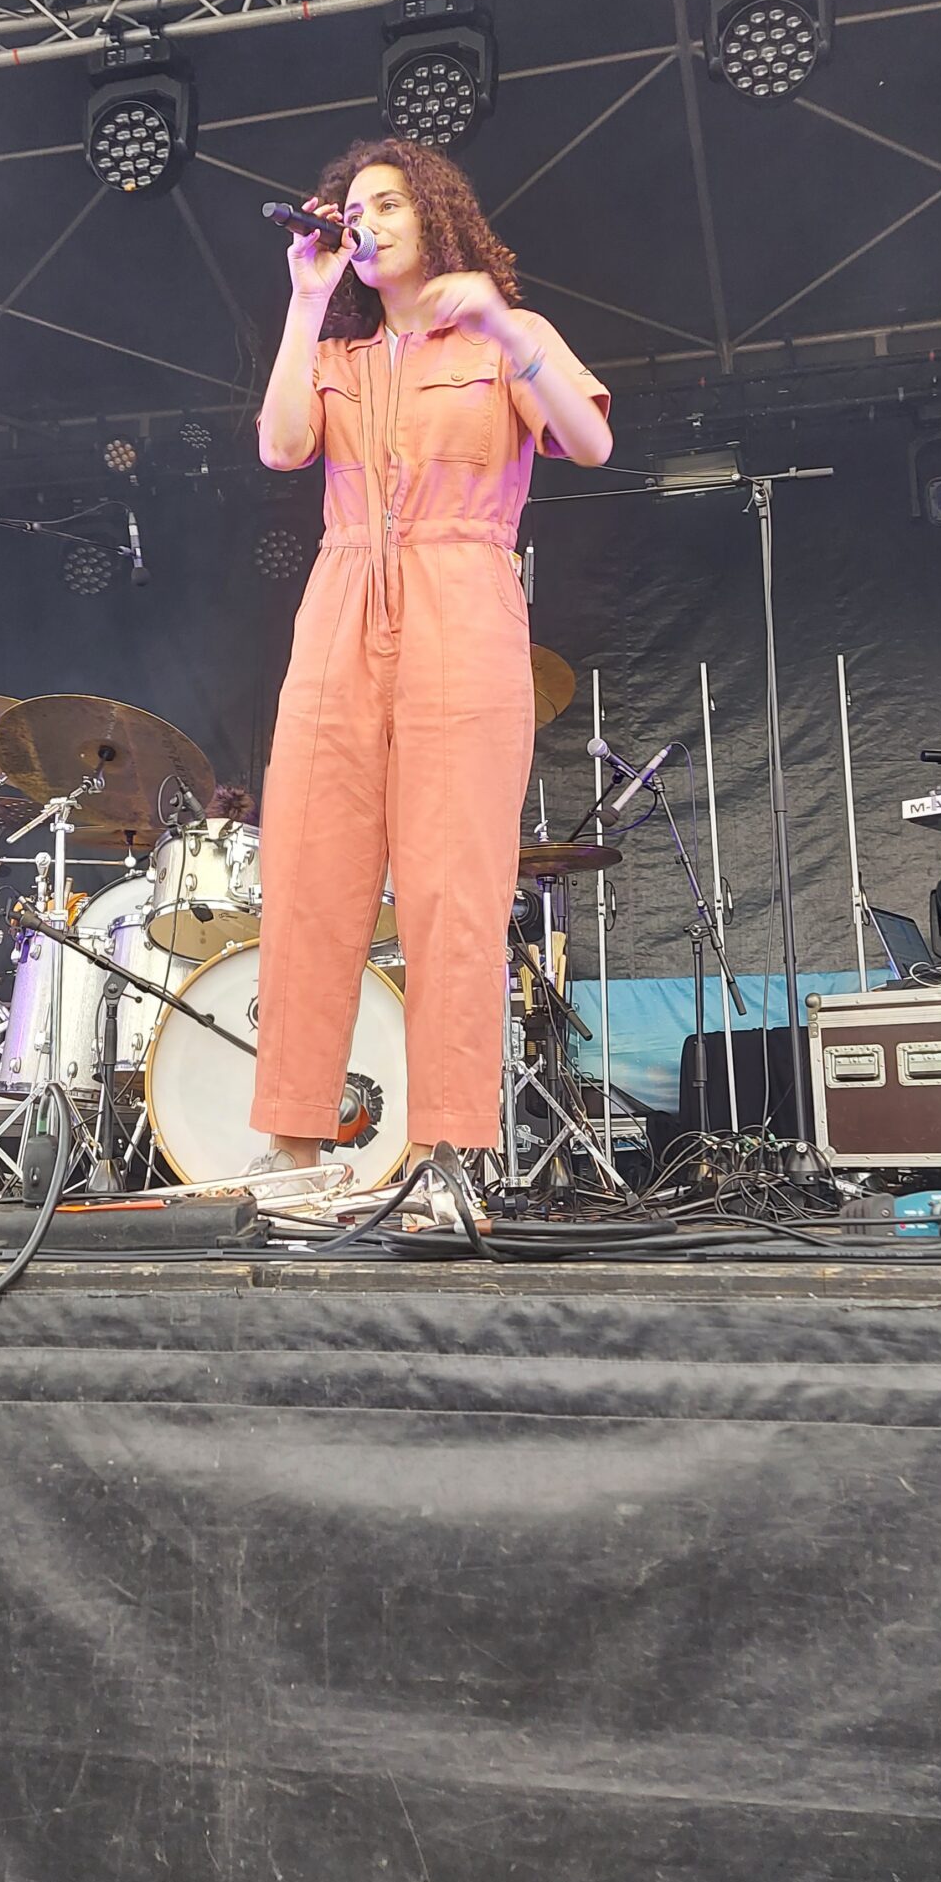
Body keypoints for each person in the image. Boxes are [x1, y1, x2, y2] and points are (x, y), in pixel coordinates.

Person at [250, 134, 612, 1179]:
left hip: (461, 596)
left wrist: (500, 323)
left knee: (453, 887)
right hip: (339, 602)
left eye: (387, 203)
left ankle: (443, 1147)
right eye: (351, 207)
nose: (363, 220)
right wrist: (305, 299)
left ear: (436, 220)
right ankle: (291, 1140)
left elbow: (589, 443)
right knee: (308, 873)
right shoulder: (335, 356)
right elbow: (280, 446)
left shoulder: (507, 337)